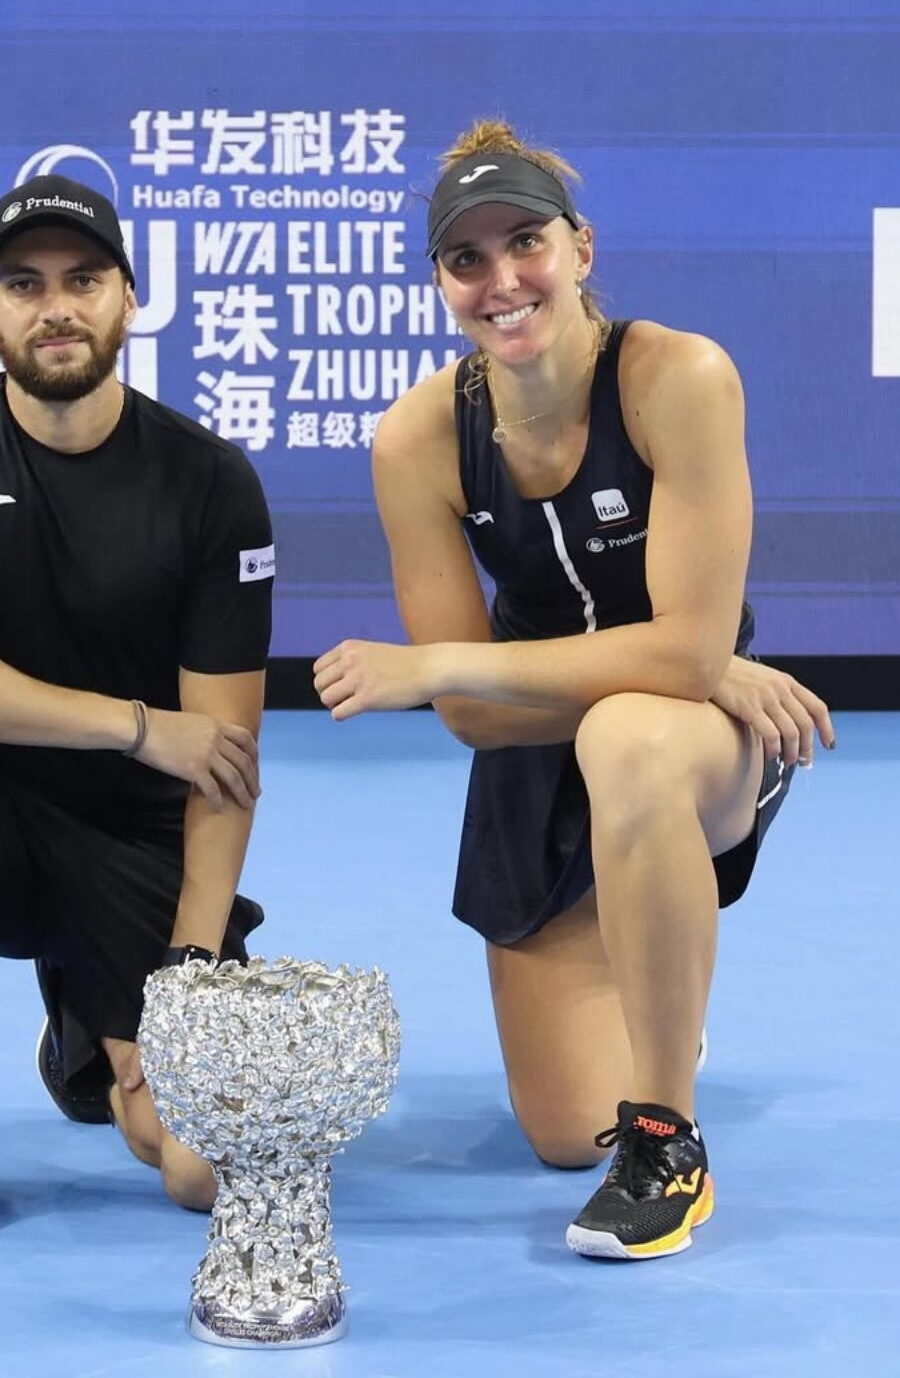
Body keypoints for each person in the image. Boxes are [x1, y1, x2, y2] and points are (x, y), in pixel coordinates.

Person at [312, 121, 835, 1260]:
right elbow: (475, 721)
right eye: (467, 259)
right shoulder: (416, 440)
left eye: (526, 242)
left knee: (635, 745)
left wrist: (447, 660)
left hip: (698, 737)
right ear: (441, 281)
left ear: (582, 247)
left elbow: (684, 666)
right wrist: (495, 682)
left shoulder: (676, 376)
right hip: (538, 739)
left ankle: (670, 1143)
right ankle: (654, 980)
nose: (503, 281)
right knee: (559, 1132)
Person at [0, 173, 274, 1230]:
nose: (56, 307)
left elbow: (224, 759)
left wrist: (188, 968)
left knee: (200, 1177)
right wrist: (131, 723)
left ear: (130, 297)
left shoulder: (210, 480)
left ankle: (90, 1022)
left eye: (84, 279)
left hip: (140, 846)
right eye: (23, 284)